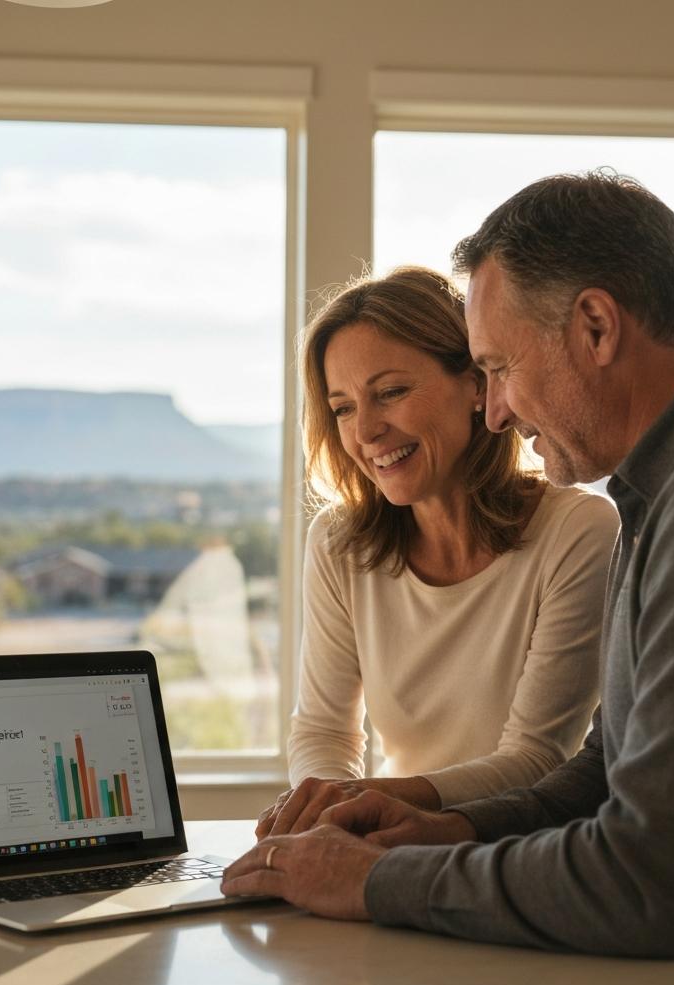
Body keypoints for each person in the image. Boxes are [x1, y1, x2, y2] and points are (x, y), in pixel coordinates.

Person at [223, 172, 674, 985]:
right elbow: (607, 767)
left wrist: (378, 879)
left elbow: (650, 882)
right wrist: (451, 827)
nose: (500, 409)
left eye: (502, 367)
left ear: (594, 326)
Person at [258, 266, 618, 837]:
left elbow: (536, 760)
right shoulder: (338, 542)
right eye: (344, 407)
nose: (366, 432)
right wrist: (329, 812)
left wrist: (367, 798)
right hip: (386, 846)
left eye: (391, 393)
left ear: (477, 384)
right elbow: (325, 732)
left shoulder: (578, 531)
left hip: (522, 853)